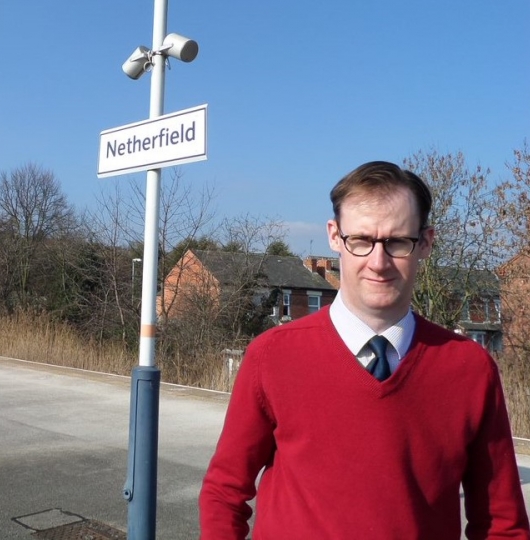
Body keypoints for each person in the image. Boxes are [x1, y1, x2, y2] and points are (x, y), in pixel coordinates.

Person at [199, 161, 530, 539]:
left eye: (396, 242)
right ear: (334, 236)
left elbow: (501, 523)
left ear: (425, 242)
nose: (378, 262)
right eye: (361, 240)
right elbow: (225, 493)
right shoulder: (271, 356)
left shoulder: (469, 368)